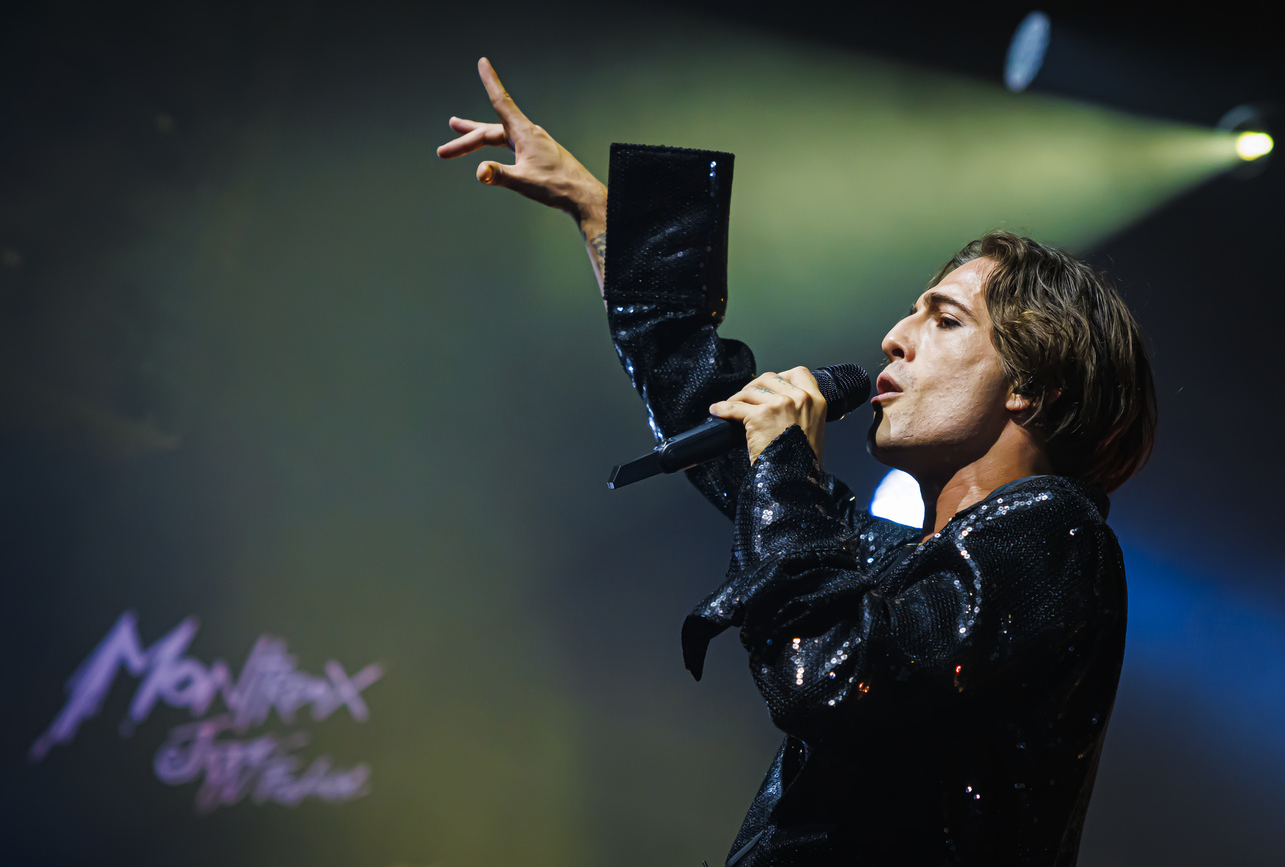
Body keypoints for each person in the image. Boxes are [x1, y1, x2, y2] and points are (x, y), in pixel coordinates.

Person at [439, 58, 1156, 867]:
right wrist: (600, 210)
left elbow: (832, 669)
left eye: (945, 320)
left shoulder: (1057, 533)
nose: (894, 337)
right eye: (911, 312)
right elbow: (719, 421)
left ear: (1032, 386)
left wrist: (785, 457)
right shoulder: (900, 562)